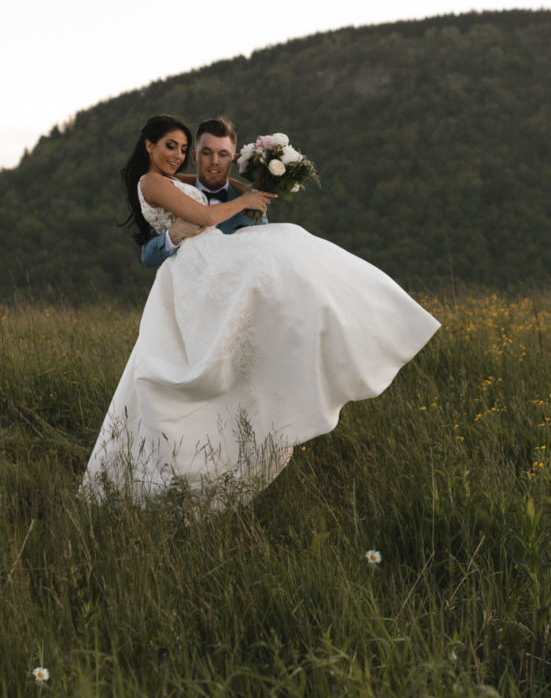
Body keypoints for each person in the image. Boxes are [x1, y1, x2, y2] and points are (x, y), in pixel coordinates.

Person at [81, 114, 440, 505]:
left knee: (290, 251)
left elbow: (203, 193)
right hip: (199, 271)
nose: (184, 156)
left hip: (216, 267)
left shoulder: (175, 181)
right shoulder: (152, 182)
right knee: (282, 248)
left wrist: (254, 187)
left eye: (186, 149)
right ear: (150, 146)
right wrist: (243, 203)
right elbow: (187, 226)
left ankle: (354, 327)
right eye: (178, 148)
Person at [141, 115, 265, 268]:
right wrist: (173, 235)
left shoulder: (251, 202)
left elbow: (264, 255)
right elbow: (147, 257)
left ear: (233, 161)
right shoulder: (171, 192)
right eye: (206, 153)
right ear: (194, 157)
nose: (214, 161)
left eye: (223, 154)